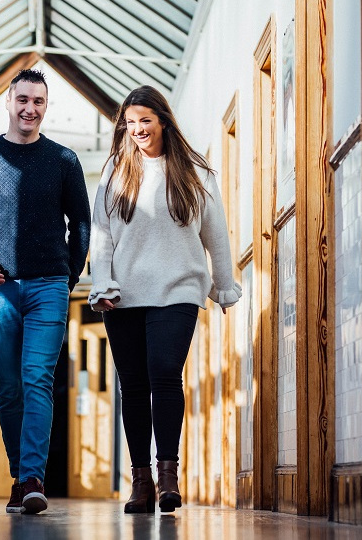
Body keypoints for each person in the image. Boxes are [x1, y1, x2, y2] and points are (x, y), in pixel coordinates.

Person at [87, 85, 241, 514]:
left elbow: (216, 233)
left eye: (145, 121)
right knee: (133, 386)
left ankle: (168, 472)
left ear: (163, 121)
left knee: (165, 372)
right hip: (124, 296)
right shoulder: (116, 171)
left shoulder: (194, 171)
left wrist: (223, 284)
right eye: (130, 122)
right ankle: (141, 480)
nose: (137, 129)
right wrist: (103, 284)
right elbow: (101, 236)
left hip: (179, 289)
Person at [0, 69, 91, 515]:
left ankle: (33, 478)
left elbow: (83, 224)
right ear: (9, 101)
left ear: (46, 106)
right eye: (23, 100)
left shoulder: (64, 160)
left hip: (49, 286)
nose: (30, 109)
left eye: (38, 101)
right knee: (9, 387)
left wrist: (68, 276)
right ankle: (20, 475)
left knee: (37, 379)